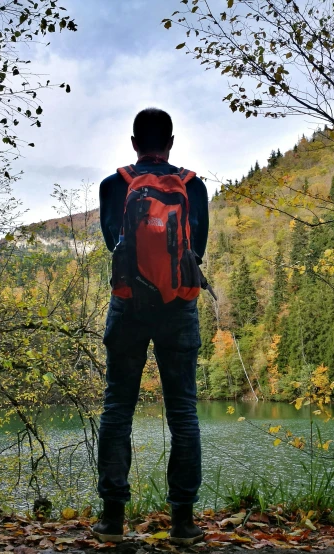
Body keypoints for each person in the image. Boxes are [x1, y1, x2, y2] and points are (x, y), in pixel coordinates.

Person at [92, 108, 209, 545]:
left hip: (127, 307)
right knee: (183, 413)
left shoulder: (113, 186)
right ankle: (183, 523)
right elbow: (197, 248)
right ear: (172, 142)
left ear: (134, 141)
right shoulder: (192, 186)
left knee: (117, 409)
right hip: (178, 308)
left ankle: (111, 522)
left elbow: (112, 244)